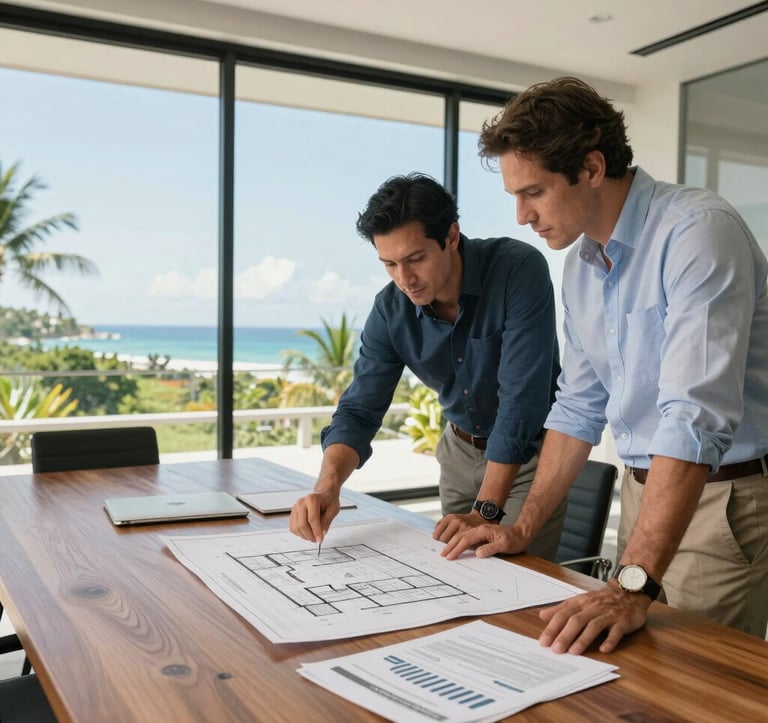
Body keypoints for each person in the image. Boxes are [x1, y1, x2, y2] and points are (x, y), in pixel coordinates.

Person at [442, 76, 768, 652]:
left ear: (591, 167)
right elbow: (578, 407)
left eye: (534, 193)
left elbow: (692, 418)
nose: (522, 216)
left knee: (691, 689)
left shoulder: (698, 232)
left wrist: (632, 584)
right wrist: (522, 525)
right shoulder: (582, 267)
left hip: (722, 500)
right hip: (643, 493)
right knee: (629, 675)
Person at [289, 172, 564, 559]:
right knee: (458, 579)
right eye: (389, 264)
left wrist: (484, 510)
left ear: (451, 237)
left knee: (513, 583)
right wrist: (326, 488)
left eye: (415, 259)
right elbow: (359, 408)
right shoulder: (390, 311)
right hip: (458, 453)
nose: (405, 279)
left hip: (529, 460)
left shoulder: (517, 269)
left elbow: (521, 401)